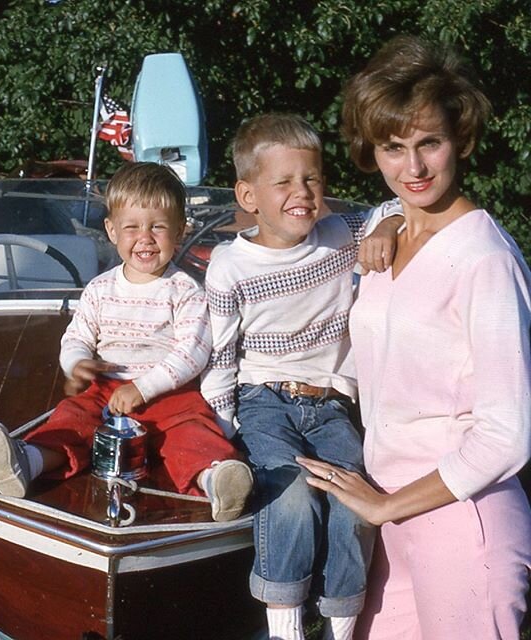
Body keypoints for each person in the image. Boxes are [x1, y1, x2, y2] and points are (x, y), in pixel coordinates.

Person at [298, 35, 531, 640]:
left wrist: (385, 507)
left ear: (461, 140)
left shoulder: (485, 259)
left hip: (462, 519)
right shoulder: (382, 223)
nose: (415, 168)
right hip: (387, 516)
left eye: (430, 143)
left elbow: (508, 434)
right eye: (393, 148)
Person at [200, 113, 404, 640]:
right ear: (249, 196)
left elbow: (399, 202)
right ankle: (286, 627)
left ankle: (341, 624)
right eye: (285, 181)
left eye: (313, 179)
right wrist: (222, 427)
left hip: (333, 402)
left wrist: (384, 226)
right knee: (289, 495)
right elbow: (222, 353)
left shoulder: (340, 235)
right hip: (263, 398)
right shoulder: (230, 265)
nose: (303, 192)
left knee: (354, 499)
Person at [0, 161, 253, 523]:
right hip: (105, 392)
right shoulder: (100, 289)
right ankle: (27, 462)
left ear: (180, 231)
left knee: (192, 433)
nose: (145, 238)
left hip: (171, 393)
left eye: (158, 227)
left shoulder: (184, 290)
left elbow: (192, 352)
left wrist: (143, 387)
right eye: (132, 227)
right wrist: (77, 364)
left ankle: (217, 480)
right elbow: (76, 336)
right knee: (73, 419)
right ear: (111, 230)